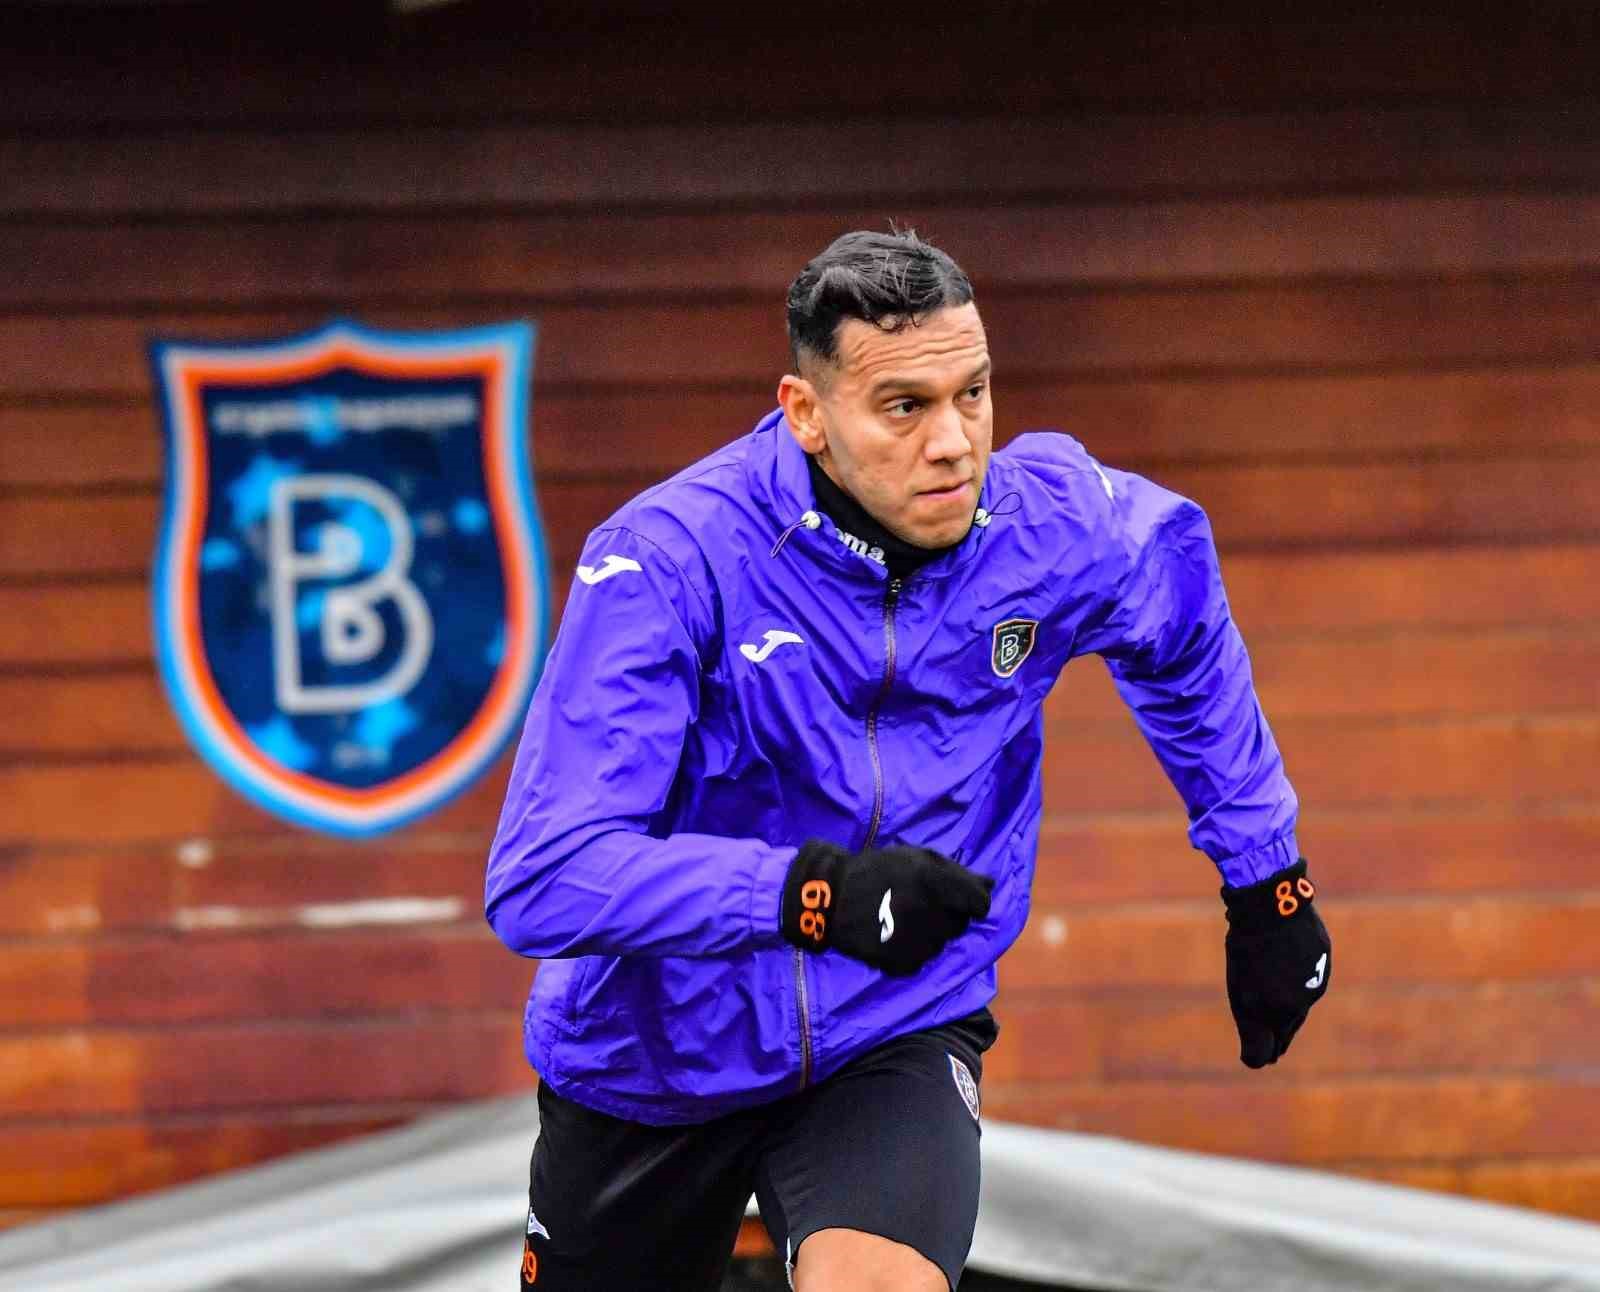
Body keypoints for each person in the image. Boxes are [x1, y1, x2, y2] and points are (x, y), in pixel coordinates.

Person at [485, 229, 1332, 1292]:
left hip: (892, 1019)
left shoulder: (1051, 524)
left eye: (973, 393)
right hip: (654, 1053)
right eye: (904, 407)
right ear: (806, 414)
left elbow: (1182, 617)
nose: (954, 443)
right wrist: (811, 896)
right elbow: (543, 877)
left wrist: (1267, 881)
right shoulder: (668, 560)